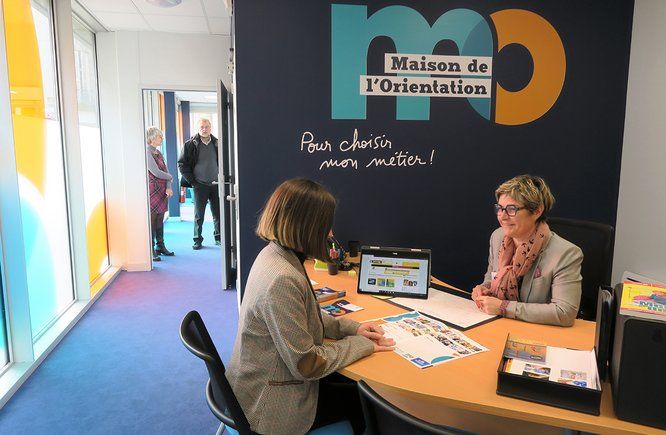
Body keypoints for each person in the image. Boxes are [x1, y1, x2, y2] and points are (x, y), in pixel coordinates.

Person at [226, 178, 394, 435]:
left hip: (260, 382)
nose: (330, 234)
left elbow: (305, 316)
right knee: (368, 407)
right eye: (325, 227)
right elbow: (307, 364)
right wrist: (363, 345)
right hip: (270, 404)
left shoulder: (275, 254)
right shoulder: (282, 279)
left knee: (354, 390)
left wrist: (352, 329)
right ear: (306, 228)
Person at [472, 175, 583, 326]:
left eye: (511, 209)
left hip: (538, 332)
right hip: (499, 325)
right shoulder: (498, 237)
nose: (502, 216)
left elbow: (564, 312)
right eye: (499, 208)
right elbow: (491, 278)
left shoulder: (566, 254)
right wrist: (483, 289)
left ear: (537, 211)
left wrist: (503, 307)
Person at [177, 118, 220, 250]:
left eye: (207, 127)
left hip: (216, 184)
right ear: (198, 128)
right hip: (199, 185)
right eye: (202, 127)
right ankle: (197, 240)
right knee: (198, 215)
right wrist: (193, 182)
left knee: (218, 213)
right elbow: (182, 164)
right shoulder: (190, 144)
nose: (204, 129)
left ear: (210, 128)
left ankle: (218, 237)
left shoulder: (218, 143)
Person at [145, 126, 174, 261]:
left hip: (162, 190)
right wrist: (169, 177)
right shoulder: (147, 152)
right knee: (152, 220)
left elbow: (166, 172)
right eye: (159, 136)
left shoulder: (158, 153)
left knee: (160, 219)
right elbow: (155, 172)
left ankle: (160, 246)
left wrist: (169, 186)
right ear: (152, 138)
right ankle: (150, 250)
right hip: (153, 190)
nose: (161, 139)